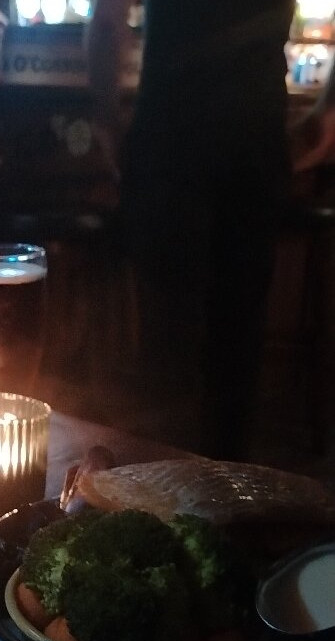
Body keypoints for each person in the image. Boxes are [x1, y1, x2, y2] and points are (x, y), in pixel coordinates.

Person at [86, 0, 335, 461]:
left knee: (169, 342)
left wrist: (105, 117)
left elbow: (107, 20)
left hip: (170, 141)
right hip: (255, 138)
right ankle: (228, 484)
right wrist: (328, 108)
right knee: (238, 342)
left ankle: (166, 487)